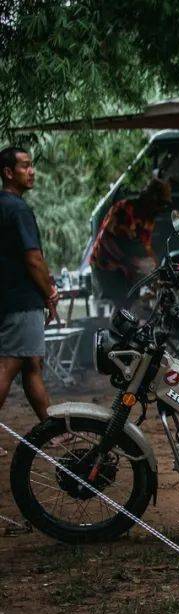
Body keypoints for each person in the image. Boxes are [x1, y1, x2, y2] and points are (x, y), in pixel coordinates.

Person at [0, 146, 58, 456]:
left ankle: (52, 430)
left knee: (31, 363)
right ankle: (53, 430)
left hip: (8, 297)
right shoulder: (18, 209)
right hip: (22, 300)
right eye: (24, 166)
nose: (31, 171)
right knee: (8, 365)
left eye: (31, 165)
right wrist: (49, 292)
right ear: (9, 172)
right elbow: (33, 258)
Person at [90, 176, 171, 309]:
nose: (160, 209)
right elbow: (107, 240)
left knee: (131, 302)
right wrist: (129, 261)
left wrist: (156, 272)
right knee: (123, 301)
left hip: (126, 267)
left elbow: (146, 246)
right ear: (151, 199)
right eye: (160, 204)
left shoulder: (148, 219)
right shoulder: (124, 210)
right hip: (106, 264)